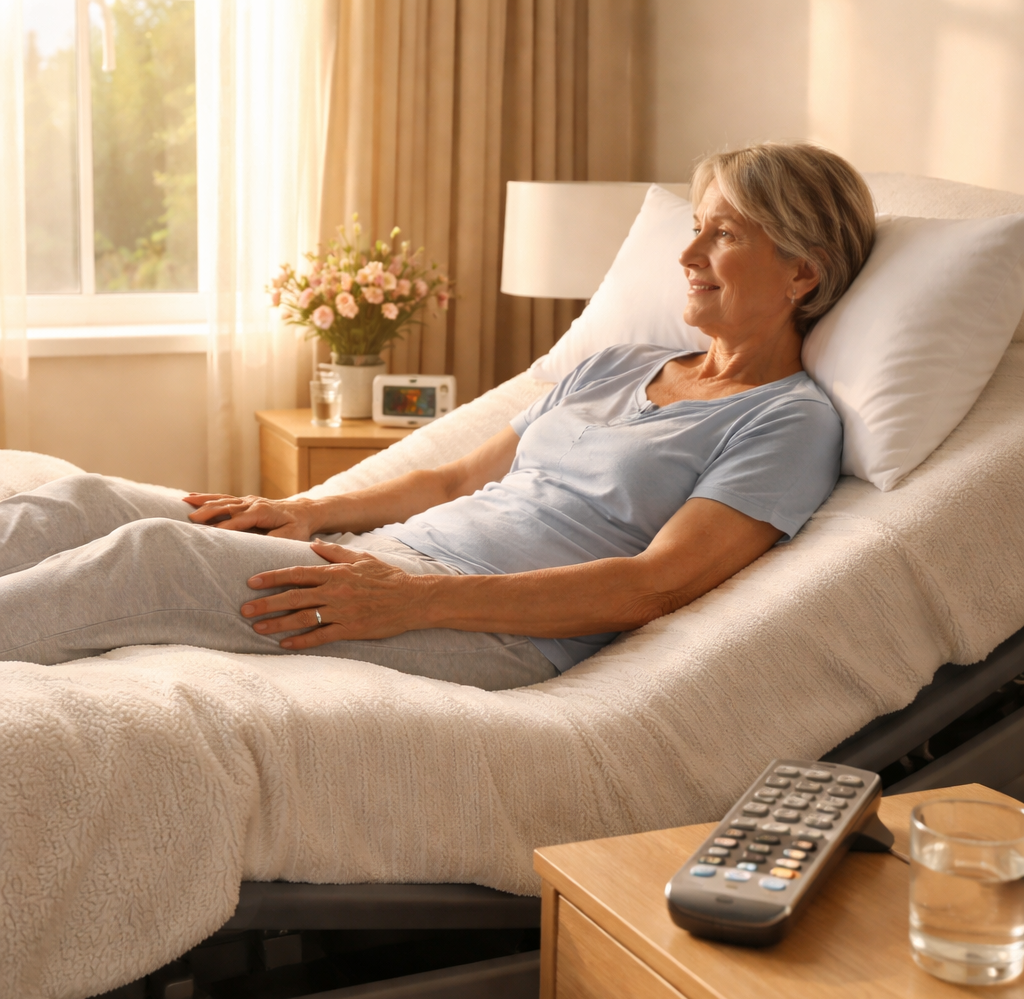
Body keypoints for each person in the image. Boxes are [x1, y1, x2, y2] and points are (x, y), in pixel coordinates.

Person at [0, 143, 875, 688]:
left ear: (803, 272)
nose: (686, 255)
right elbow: (459, 475)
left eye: (722, 235)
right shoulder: (619, 364)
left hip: (487, 631)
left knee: (153, 558)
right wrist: (305, 513)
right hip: (392, 567)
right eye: (694, 228)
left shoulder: (787, 423)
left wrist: (416, 601)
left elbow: (654, 584)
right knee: (82, 501)